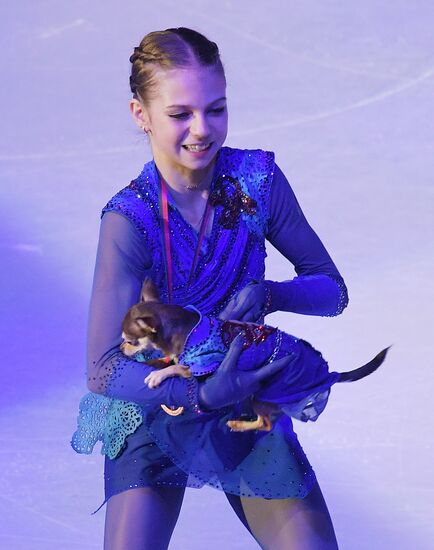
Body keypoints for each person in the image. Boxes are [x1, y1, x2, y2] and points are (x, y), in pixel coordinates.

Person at [72, 27, 349, 549]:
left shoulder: (256, 181)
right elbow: (102, 367)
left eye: (216, 109)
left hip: (245, 400)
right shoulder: (129, 219)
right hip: (153, 410)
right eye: (180, 114)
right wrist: (195, 392)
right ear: (141, 114)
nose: (202, 130)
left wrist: (271, 294)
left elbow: (331, 291)